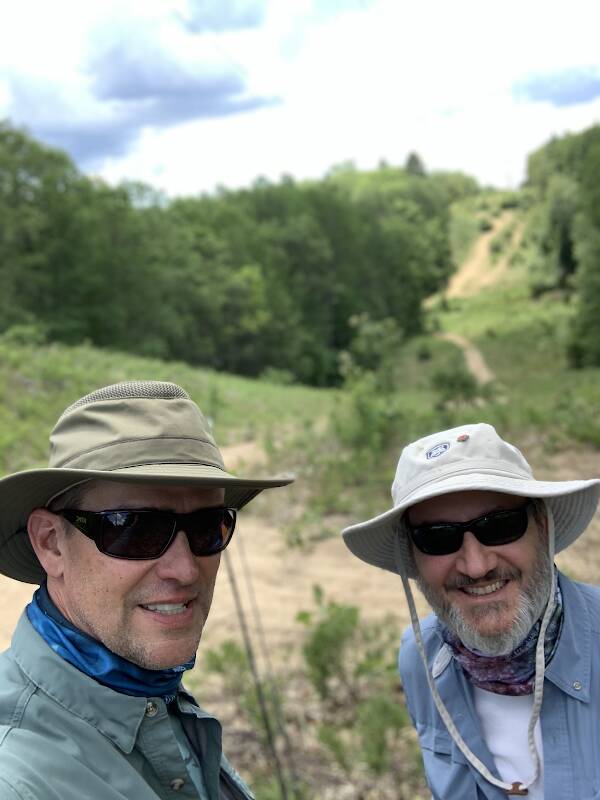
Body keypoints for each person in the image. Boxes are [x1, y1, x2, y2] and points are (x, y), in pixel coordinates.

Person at [0, 380, 293, 800]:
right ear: (50, 542)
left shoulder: (142, 690)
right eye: (136, 529)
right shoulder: (17, 778)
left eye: (208, 527)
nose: (185, 568)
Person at [342, 422, 600, 799]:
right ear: (412, 555)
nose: (476, 566)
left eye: (500, 526)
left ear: (543, 526)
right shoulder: (422, 658)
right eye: (438, 537)